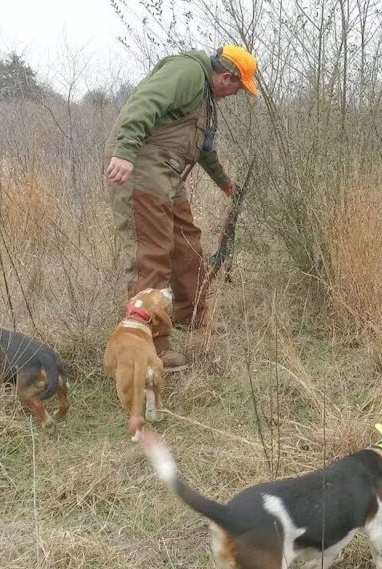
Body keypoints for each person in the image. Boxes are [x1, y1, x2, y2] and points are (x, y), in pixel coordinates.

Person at [105, 45, 258, 372]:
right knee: (152, 253)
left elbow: (205, 149)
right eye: (237, 88)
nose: (235, 94)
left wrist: (224, 183)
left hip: (167, 175)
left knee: (188, 243)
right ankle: (153, 344)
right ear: (226, 76)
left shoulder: (204, 98)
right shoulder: (189, 71)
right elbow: (146, 101)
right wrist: (125, 151)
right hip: (142, 168)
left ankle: (191, 315)